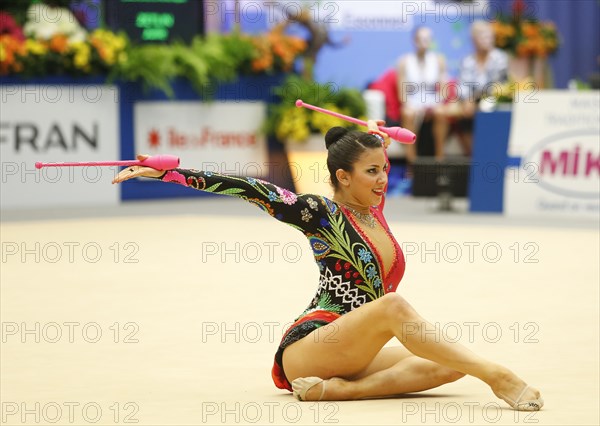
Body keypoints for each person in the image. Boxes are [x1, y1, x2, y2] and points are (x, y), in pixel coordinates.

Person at [112, 121, 543, 410]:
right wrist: (170, 174)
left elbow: (371, 159)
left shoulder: (374, 209)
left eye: (385, 170)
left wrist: (374, 139)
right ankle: (499, 377)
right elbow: (252, 188)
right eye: (372, 171)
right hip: (312, 345)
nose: (382, 180)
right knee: (395, 307)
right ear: (341, 177)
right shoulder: (319, 211)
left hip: (353, 353)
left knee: (451, 362)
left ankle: (343, 391)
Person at [435, 20, 509, 161]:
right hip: (468, 103)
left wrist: (474, 99)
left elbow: (498, 86)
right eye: (483, 37)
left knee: (482, 109)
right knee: (447, 112)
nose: (487, 40)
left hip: (492, 102)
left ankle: (484, 157)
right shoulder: (467, 60)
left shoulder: (500, 58)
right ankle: (442, 160)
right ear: (474, 40)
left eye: (489, 37)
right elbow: (462, 85)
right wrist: (466, 100)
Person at [397, 26, 448, 166]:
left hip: (433, 100)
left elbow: (443, 90)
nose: (424, 42)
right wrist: (413, 106)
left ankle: (440, 159)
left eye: (427, 39)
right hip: (413, 102)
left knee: (441, 111)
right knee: (408, 113)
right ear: (414, 40)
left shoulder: (439, 60)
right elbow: (402, 93)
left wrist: (435, 104)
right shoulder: (404, 61)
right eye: (421, 39)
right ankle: (412, 163)